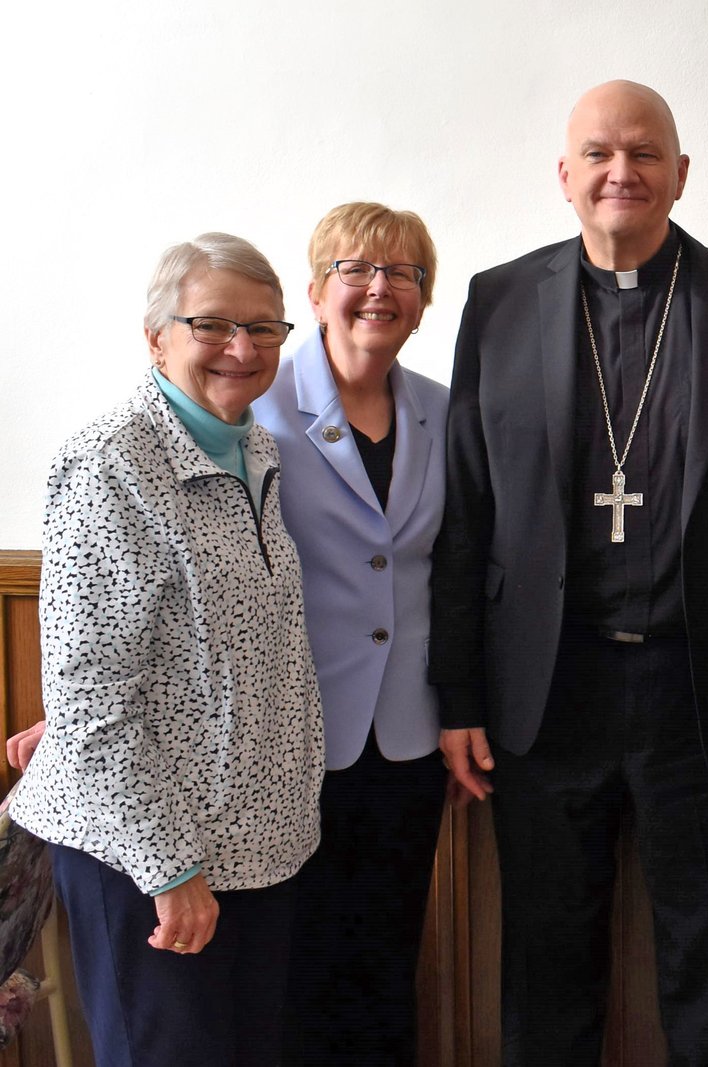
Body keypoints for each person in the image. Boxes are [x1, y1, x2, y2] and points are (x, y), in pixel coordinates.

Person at [428, 80, 708, 1065]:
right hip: (545, 685)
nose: (624, 172)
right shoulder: (497, 301)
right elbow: (465, 506)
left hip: (704, 686)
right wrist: (458, 691)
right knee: (546, 952)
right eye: (601, 153)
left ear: (681, 174)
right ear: (564, 176)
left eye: (646, 153)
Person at [7, 234, 322, 1066]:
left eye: (264, 329)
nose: (242, 349)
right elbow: (92, 701)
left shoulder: (255, 446)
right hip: (144, 855)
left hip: (250, 844)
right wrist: (170, 867)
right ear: (157, 336)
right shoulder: (109, 462)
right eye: (213, 324)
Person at [254, 202, 449, 1065]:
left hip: (409, 735)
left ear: (423, 297)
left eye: (402, 273)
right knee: (300, 968)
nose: (379, 288)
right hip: (292, 738)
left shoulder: (445, 410)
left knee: (388, 959)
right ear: (315, 289)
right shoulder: (254, 405)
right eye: (356, 270)